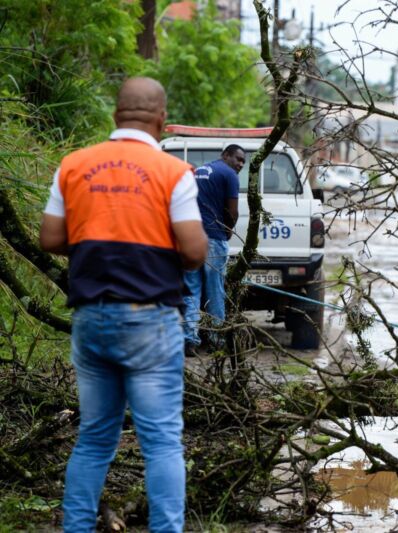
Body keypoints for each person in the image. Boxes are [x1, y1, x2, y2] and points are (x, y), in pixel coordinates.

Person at [39, 77, 207, 532]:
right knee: (161, 443)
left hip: (91, 319)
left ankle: (76, 527)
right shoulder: (173, 172)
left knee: (93, 438)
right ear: (161, 122)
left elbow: (51, 238)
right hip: (151, 320)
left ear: (116, 117)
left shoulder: (73, 165)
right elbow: (194, 252)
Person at [182, 144, 244, 353]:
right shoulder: (229, 174)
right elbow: (233, 212)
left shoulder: (198, 171)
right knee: (215, 290)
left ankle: (190, 340)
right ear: (225, 156)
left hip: (191, 237)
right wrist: (227, 231)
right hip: (213, 239)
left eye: (243, 161)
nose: (241, 164)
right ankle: (217, 341)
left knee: (191, 289)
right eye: (238, 159)